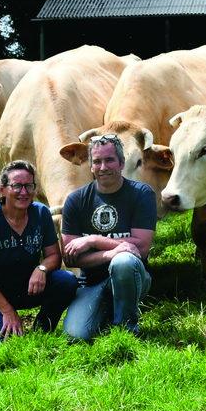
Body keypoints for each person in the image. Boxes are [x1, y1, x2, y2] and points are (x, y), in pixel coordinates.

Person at [61, 133, 157, 341]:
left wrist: (93, 241)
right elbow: (71, 258)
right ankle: (108, 306)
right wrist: (110, 252)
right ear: (90, 166)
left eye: (109, 160)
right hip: (90, 282)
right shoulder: (76, 201)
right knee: (75, 336)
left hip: (134, 277)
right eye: (97, 161)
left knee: (123, 261)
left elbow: (139, 249)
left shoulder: (142, 194)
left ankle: (126, 329)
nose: (103, 167)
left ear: (122, 163)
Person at [0, 160, 78, 342]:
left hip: (28, 285)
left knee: (66, 281)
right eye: (17, 186)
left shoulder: (41, 213)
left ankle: (43, 328)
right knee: (0, 342)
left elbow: (53, 255)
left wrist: (41, 269)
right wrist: (7, 311)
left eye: (29, 186)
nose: (24, 192)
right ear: (2, 190)